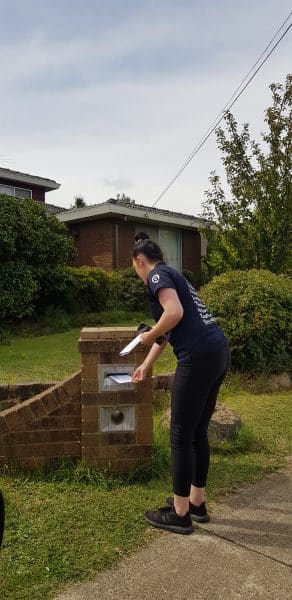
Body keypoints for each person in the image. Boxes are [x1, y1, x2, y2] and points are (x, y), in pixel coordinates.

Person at [131, 232, 230, 535]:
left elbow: (174, 314)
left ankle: (179, 513)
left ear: (139, 261)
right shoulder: (175, 276)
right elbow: (169, 330)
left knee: (180, 436)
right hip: (217, 352)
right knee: (197, 432)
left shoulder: (157, 276)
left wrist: (145, 336)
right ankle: (196, 502)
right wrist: (146, 364)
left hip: (198, 358)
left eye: (135, 268)